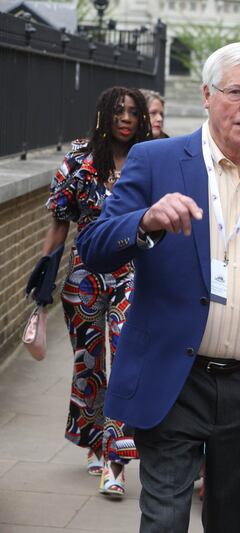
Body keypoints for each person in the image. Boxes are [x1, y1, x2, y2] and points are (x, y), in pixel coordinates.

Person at [76, 42, 240, 532]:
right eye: (234, 92)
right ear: (208, 96)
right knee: (164, 517)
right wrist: (144, 220)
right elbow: (93, 246)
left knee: (234, 521)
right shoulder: (155, 159)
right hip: (173, 373)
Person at [32, 86, 151, 497]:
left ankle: (116, 461)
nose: (126, 118)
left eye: (134, 112)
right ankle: (91, 441)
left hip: (133, 273)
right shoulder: (79, 159)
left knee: (124, 358)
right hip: (84, 276)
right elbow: (59, 222)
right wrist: (43, 280)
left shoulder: (149, 157)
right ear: (104, 115)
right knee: (89, 363)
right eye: (118, 111)